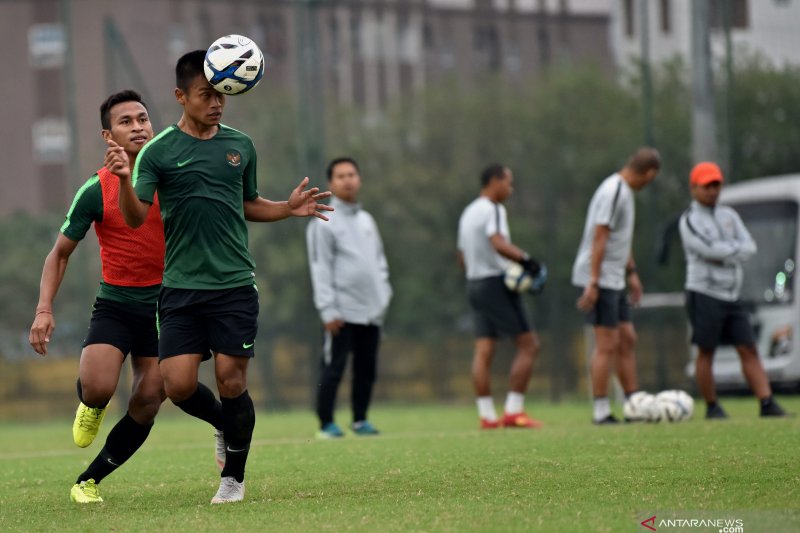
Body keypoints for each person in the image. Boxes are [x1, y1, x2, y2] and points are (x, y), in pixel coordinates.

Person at [107, 50, 332, 504]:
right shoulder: (158, 151)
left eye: (223, 95)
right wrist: (127, 181)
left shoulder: (241, 146)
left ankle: (233, 478)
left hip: (233, 284)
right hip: (180, 288)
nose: (217, 103)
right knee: (179, 385)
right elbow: (134, 218)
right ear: (180, 96)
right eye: (207, 94)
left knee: (232, 380)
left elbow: (246, 203)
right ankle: (223, 426)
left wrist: (288, 209)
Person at [29, 90, 166, 503]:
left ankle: (88, 481)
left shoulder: (173, 178)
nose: (138, 126)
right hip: (117, 305)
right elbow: (59, 254)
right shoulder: (95, 189)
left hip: (166, 308)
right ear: (109, 136)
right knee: (99, 386)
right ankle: (91, 403)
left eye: (143, 118)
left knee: (148, 399)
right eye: (126, 121)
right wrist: (43, 310)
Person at [678, 162, 786, 419]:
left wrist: (725, 253)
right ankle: (712, 406)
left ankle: (766, 402)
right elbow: (708, 250)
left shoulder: (729, 216)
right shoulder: (689, 220)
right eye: (707, 186)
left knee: (748, 347)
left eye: (716, 185)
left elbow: (749, 247)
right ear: (694, 188)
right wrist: (732, 251)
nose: (713, 191)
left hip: (732, 295)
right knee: (706, 351)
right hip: (703, 293)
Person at [572, 147, 660, 425]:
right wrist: (594, 282)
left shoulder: (623, 191)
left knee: (627, 339)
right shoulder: (614, 191)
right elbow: (600, 236)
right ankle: (601, 410)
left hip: (614, 277)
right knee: (606, 345)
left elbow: (619, 239)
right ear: (649, 173)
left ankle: (633, 405)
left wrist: (631, 272)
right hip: (600, 278)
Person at [306, 157, 392, 439]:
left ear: (359, 179)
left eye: (352, 174)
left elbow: (379, 262)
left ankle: (360, 420)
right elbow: (320, 267)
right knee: (334, 367)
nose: (347, 180)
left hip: (370, 310)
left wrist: (383, 294)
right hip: (341, 311)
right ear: (331, 183)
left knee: (367, 369)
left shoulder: (367, 220)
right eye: (341, 176)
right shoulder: (324, 220)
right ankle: (326, 423)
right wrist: (328, 309)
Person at [457, 164, 544, 429]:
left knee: (484, 350)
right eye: (508, 182)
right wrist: (528, 261)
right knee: (529, 345)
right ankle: (513, 412)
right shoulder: (493, 208)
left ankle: (487, 416)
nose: (510, 188)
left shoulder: (468, 211)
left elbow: (461, 255)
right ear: (494, 182)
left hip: (474, 283)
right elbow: (498, 242)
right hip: (494, 283)